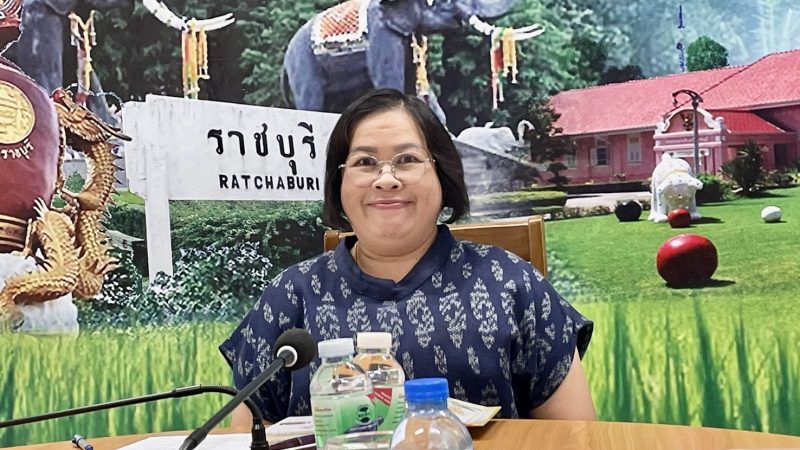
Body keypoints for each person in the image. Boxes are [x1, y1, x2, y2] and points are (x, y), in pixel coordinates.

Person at [220, 89, 595, 427]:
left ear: (443, 175)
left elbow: (577, 437)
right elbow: (246, 437)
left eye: (407, 159)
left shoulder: (512, 283)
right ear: (339, 183)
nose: (386, 179)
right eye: (365, 163)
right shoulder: (289, 296)